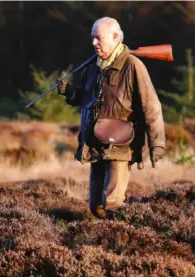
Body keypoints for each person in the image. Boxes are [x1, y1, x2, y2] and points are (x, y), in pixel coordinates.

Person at [57, 17, 166, 219]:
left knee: (113, 204)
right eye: (92, 38)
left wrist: (156, 143)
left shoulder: (133, 65)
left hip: (122, 145)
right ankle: (112, 239)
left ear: (115, 37)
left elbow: (152, 106)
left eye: (98, 38)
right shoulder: (92, 68)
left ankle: (126, 244)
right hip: (95, 142)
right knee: (95, 207)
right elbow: (90, 98)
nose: (93, 43)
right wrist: (71, 92)